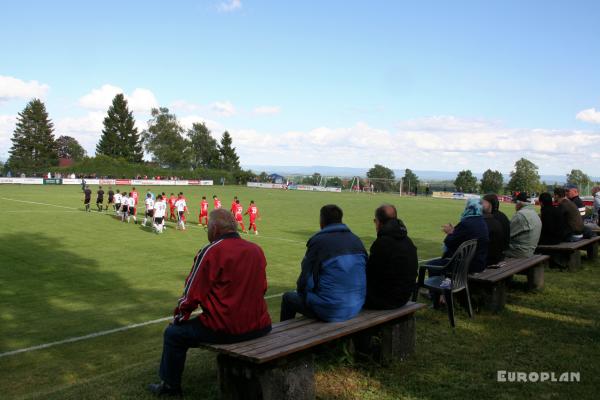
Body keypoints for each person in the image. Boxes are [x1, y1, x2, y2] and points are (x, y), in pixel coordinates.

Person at [148, 209, 272, 396]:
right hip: (261, 325)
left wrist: (180, 318)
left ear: (214, 228)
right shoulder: (256, 249)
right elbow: (262, 288)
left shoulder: (212, 251)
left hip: (225, 328)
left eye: (207, 226)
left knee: (173, 334)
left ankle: (170, 387)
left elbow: (191, 295)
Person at [280, 205, 367, 322]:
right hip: (356, 305)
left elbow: (305, 278)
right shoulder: (356, 239)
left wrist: (303, 293)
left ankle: (284, 338)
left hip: (332, 310)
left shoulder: (318, 241)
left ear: (322, 220)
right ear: (340, 219)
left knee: (288, 298)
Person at [364, 204, 418, 309]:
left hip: (384, 300)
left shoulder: (382, 243)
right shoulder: (407, 241)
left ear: (378, 222)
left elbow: (370, 273)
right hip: (404, 297)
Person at [435, 198, 489, 273]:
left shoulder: (466, 223)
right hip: (479, 263)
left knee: (432, 265)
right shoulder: (482, 221)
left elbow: (450, 242)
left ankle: (440, 284)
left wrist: (450, 232)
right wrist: (454, 231)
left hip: (466, 265)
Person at [504, 192, 542, 258]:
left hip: (520, 252)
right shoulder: (534, 213)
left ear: (520, 203)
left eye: (516, 203)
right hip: (530, 250)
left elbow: (507, 235)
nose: (515, 205)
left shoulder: (520, 215)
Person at [481, 197, 506, 265]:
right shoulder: (502, 216)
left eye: (483, 203)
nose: (480, 205)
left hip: (490, 259)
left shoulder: (490, 220)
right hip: (499, 255)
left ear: (490, 205)